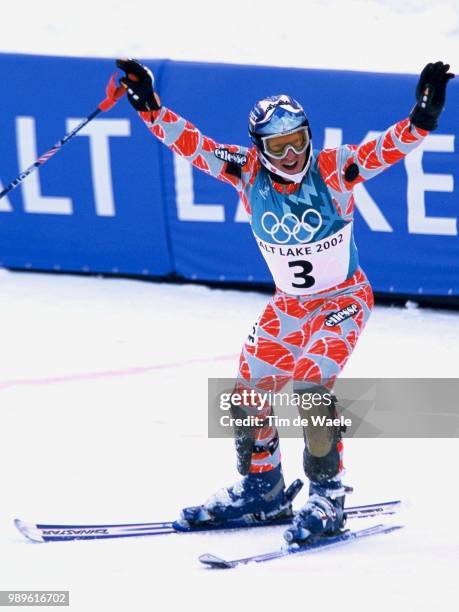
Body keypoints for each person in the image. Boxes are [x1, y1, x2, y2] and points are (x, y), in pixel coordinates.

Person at [111, 59, 453, 545]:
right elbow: (191, 144)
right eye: (278, 145)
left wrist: (422, 119)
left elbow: (384, 150)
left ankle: (327, 497)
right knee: (248, 388)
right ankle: (263, 487)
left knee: (311, 384)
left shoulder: (333, 168)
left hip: (342, 299)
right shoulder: (246, 172)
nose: (291, 154)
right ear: (260, 148)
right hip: (289, 305)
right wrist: (149, 107)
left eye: (297, 140)